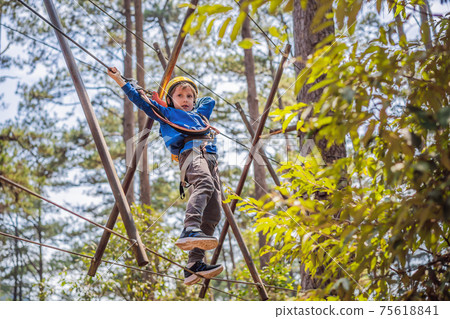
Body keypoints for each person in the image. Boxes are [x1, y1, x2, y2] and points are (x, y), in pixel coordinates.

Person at [108, 67, 223, 285]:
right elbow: (141, 102)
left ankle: (193, 265)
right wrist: (122, 82)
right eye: (180, 95)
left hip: (210, 159)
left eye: (189, 96)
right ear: (170, 100)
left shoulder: (199, 116)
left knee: (214, 212)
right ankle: (190, 228)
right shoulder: (167, 113)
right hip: (191, 152)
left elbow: (209, 101)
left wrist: (188, 103)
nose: (186, 99)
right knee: (204, 184)